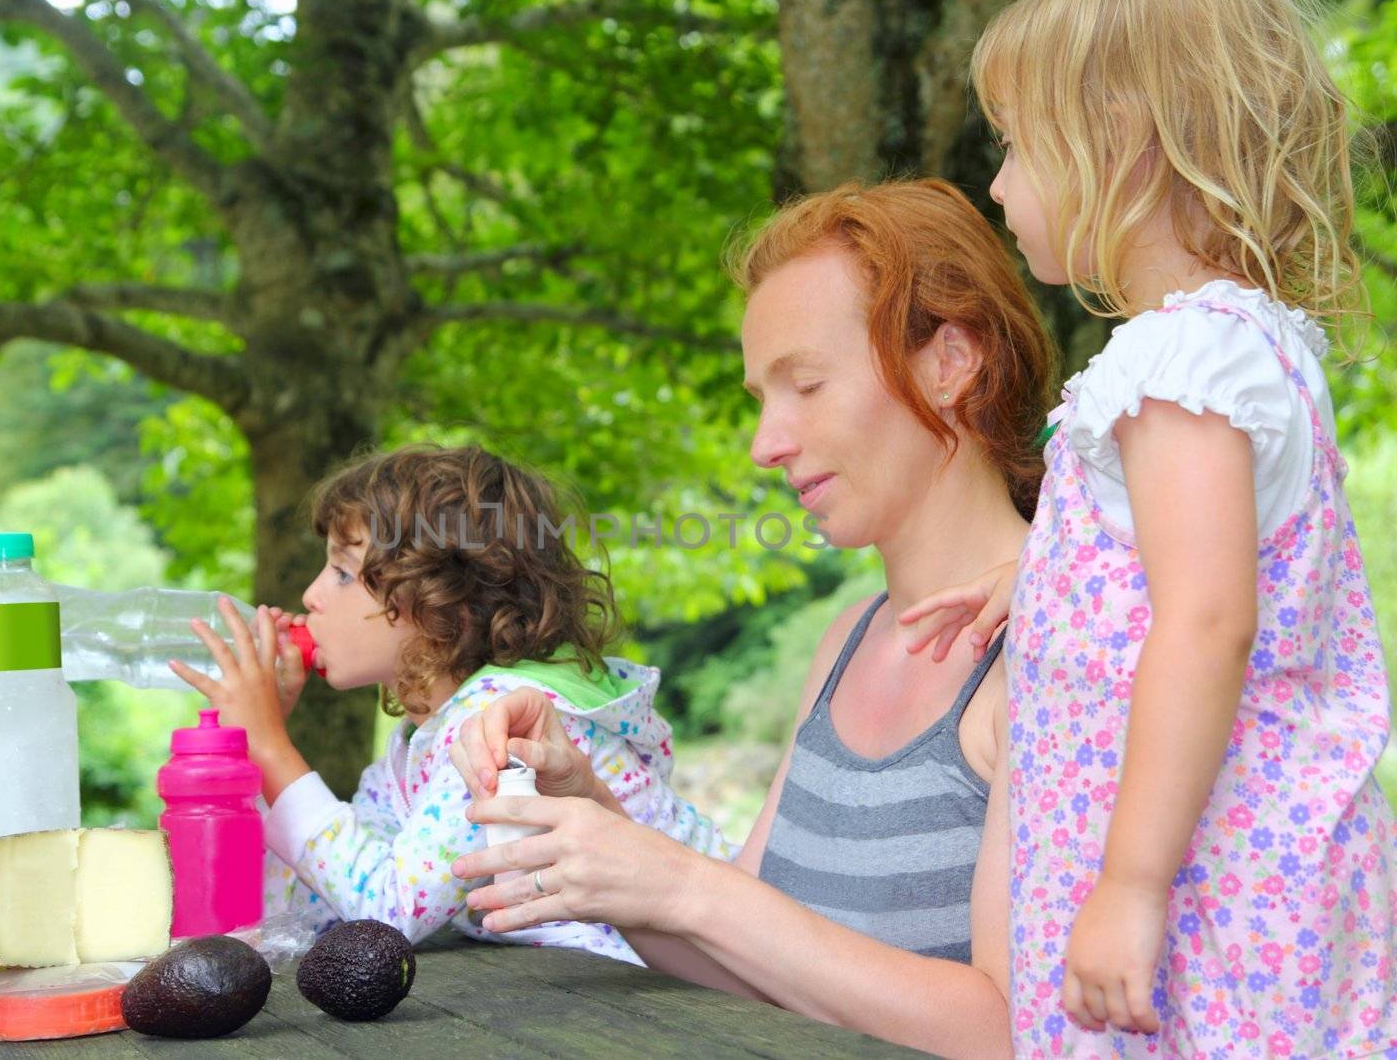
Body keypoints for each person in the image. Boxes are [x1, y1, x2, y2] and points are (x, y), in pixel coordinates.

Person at [450, 178, 1057, 1058]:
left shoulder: (1052, 644)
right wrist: (588, 814)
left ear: (949, 364)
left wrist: (685, 884)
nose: (766, 443)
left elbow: (1009, 1028)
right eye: (760, 398)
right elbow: (755, 964)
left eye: (805, 384)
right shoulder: (845, 642)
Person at [957, 0, 1397, 1053]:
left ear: (1119, 141)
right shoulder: (1252, 346)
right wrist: (1053, 569)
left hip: (1203, 898)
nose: (997, 184)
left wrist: (1129, 884)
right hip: (1249, 884)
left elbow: (1206, 620)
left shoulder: (1178, 365)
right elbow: (1198, 559)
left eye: (1016, 146)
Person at [171, 443, 731, 960]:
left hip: (701, 989)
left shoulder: (512, 725)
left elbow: (387, 917)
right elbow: (310, 916)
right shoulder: (413, 752)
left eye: (342, 572)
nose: (311, 595)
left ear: (443, 603)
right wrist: (253, 768)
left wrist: (273, 750)